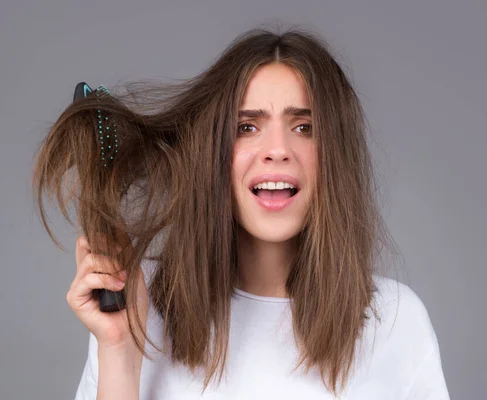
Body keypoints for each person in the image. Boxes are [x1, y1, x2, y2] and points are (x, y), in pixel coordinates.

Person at [32, 27, 450, 399]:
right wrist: (121, 349)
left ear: (335, 156)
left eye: (304, 127)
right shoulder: (140, 306)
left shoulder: (395, 320)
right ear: (214, 152)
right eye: (247, 127)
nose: (277, 149)